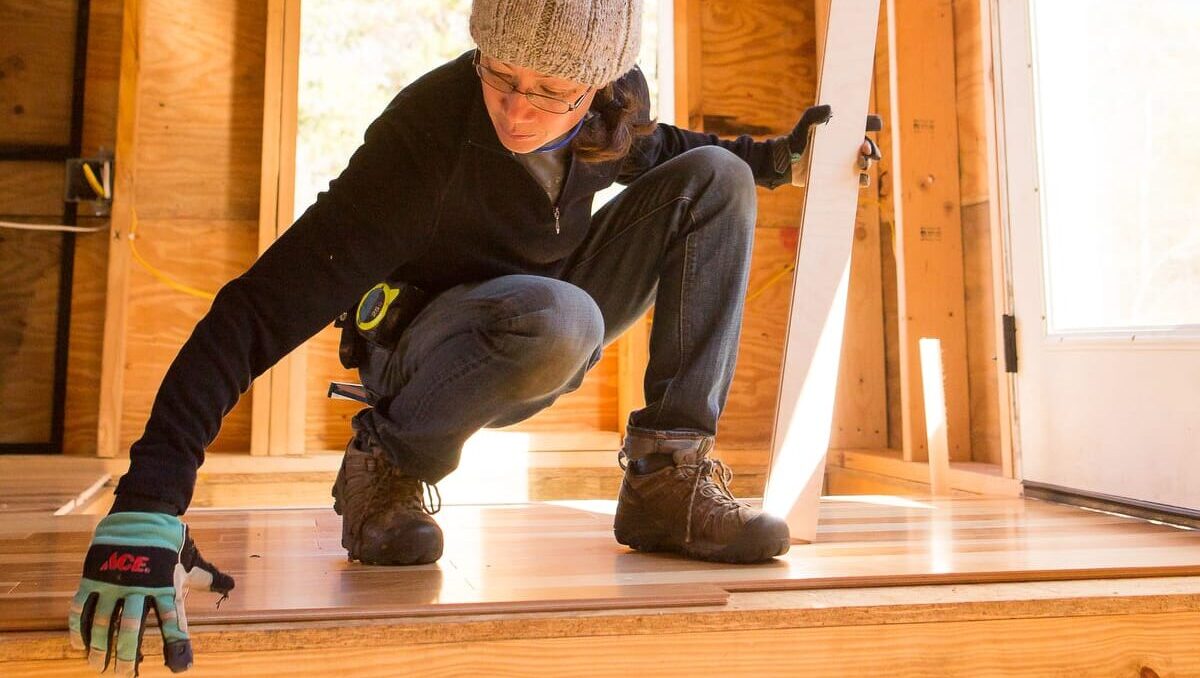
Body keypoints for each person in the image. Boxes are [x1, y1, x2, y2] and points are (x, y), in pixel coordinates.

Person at [68, 0, 879, 674]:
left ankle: (666, 480)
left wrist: (781, 159)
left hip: (541, 326)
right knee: (562, 316)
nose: (519, 111)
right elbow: (253, 314)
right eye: (501, 76)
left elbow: (667, 151)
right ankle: (381, 463)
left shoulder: (608, 114)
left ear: (596, 86)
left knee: (719, 182)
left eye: (550, 91)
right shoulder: (422, 143)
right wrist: (150, 499)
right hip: (426, 354)